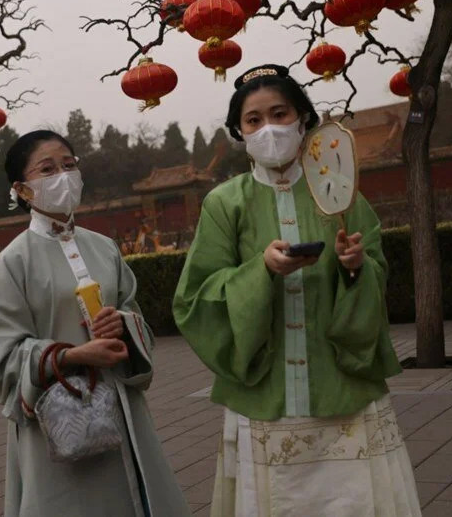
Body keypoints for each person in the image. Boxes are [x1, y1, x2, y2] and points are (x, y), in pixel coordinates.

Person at [173, 65, 421, 517]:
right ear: (240, 131)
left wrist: (354, 268)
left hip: (341, 382)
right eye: (253, 120)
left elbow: (377, 273)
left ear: (302, 118)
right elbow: (196, 299)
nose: (268, 128)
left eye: (279, 113)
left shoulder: (342, 193)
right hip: (266, 389)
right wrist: (260, 271)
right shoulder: (224, 203)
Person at [0, 130, 190, 517]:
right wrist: (71, 355)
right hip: (56, 417)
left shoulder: (103, 246)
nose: (63, 175)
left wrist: (123, 324)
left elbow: (133, 312)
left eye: (69, 165)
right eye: (48, 169)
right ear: (22, 189)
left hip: (123, 407)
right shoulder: (13, 263)